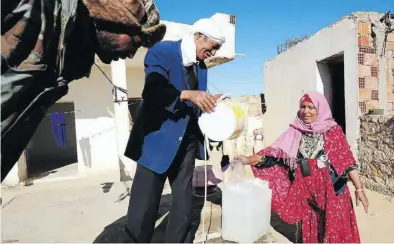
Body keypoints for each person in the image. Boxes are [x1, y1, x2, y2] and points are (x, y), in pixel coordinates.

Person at [1, 0, 166, 181]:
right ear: (116, 17)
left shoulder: (65, 58)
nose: (131, 55)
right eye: (135, 42)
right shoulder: (42, 6)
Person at [123, 18, 225, 243]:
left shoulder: (202, 68)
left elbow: (197, 101)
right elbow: (153, 92)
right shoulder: (163, 52)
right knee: (143, 209)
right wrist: (188, 94)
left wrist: (210, 102)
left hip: (187, 141)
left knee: (183, 205)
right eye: (213, 46)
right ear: (199, 36)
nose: (213, 52)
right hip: (156, 141)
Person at [234, 91, 369, 243]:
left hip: (334, 193)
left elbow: (348, 162)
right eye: (303, 107)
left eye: (311, 107)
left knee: (336, 233)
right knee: (314, 234)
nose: (306, 111)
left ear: (320, 108)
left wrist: (359, 189)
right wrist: (247, 159)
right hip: (308, 197)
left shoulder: (333, 131)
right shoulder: (294, 132)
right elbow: (274, 157)